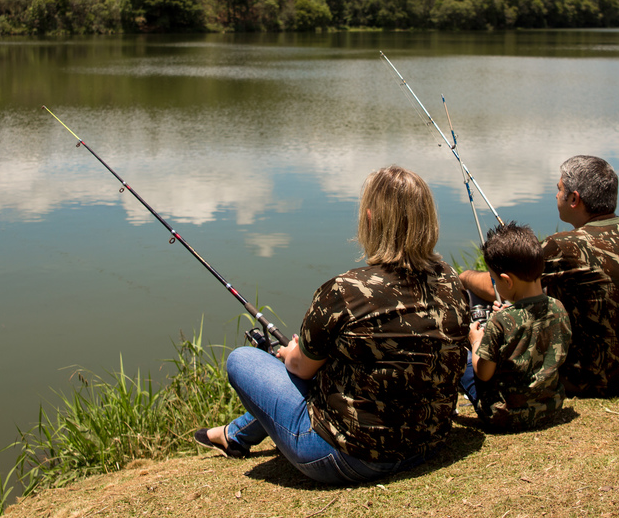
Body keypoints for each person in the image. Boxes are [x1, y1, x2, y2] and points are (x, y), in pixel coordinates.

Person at [195, 165, 469, 484]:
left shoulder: (344, 291)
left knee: (243, 360)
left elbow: (301, 371)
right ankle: (234, 435)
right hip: (427, 444)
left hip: (349, 458)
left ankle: (234, 435)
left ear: (369, 219)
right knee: (331, 361)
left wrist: (292, 354)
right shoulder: (451, 281)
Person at [459, 155, 619, 398]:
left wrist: (465, 276)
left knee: (476, 301)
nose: (556, 195)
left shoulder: (564, 246)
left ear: (574, 199)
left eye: (559, 189)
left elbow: (502, 288)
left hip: (587, 380)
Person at [462, 221, 571, 431]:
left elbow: (483, 373)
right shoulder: (558, 308)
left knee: (461, 357)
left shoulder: (499, 322)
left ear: (507, 281)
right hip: (550, 406)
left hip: (505, 416)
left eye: (493, 279)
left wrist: (476, 342)